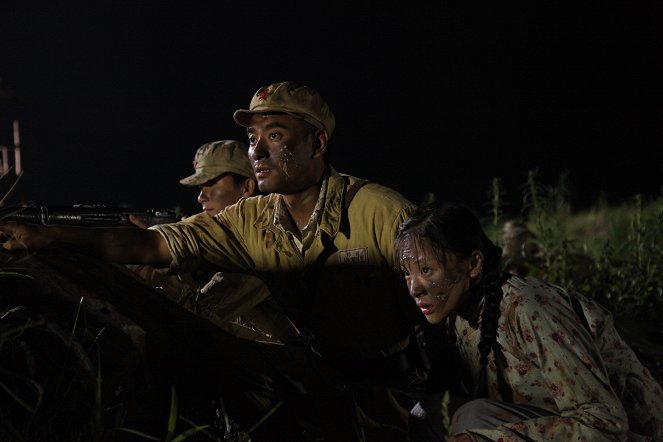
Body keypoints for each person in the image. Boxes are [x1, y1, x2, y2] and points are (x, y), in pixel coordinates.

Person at [0, 81, 427, 441]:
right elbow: (154, 246)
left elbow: (447, 298)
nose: (257, 151)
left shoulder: (381, 211)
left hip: (392, 396)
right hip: (318, 389)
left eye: (275, 136)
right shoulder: (250, 219)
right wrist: (51, 234)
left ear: (317, 142)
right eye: (253, 139)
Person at [395, 201, 663, 441]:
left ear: (474, 263)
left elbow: (606, 424)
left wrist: (482, 439)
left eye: (427, 270)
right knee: (427, 414)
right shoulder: (457, 315)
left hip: (627, 433)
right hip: (558, 422)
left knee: (472, 417)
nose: (414, 288)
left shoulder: (529, 308)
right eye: (408, 274)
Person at [131, 139, 299, 345]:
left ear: (247, 187)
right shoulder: (236, 238)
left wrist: (151, 255)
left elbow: (196, 315)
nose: (201, 197)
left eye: (211, 183)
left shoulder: (264, 240)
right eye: (201, 187)